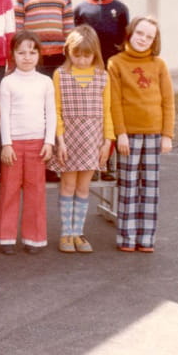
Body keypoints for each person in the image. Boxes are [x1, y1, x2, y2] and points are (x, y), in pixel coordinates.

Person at [108, 16, 175, 253]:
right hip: (129, 136)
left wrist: (167, 134)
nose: (143, 39)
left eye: (149, 36)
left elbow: (168, 101)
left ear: (154, 40)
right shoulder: (116, 63)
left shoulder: (159, 65)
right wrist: (121, 133)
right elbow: (114, 102)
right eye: (139, 33)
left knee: (150, 187)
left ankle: (146, 238)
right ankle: (127, 237)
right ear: (130, 32)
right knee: (128, 186)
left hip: (155, 134)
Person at [49, 25, 114, 253]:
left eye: (87, 56)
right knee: (68, 185)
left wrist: (107, 141)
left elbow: (107, 112)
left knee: (83, 188)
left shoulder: (103, 76)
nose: (82, 60)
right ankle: (66, 233)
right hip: (68, 141)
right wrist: (60, 141)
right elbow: (56, 110)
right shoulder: (60, 75)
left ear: (95, 53)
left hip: (92, 141)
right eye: (77, 55)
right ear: (68, 51)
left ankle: (78, 233)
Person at [0, 30, 55, 254]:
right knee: (9, 190)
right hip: (14, 144)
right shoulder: (8, 82)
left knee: (35, 192)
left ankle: (34, 238)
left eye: (32, 52)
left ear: (39, 55)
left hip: (37, 144)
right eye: (21, 53)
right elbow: (4, 115)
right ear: (13, 55)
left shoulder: (45, 82)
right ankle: (6, 237)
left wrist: (49, 141)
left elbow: (51, 113)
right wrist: (6, 144)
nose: (27, 57)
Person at [74, 0, 128, 182]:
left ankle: (109, 163)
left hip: (112, 71)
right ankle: (91, 161)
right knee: (90, 116)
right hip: (87, 71)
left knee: (110, 115)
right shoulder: (81, 9)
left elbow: (125, 42)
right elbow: (76, 42)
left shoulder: (120, 9)